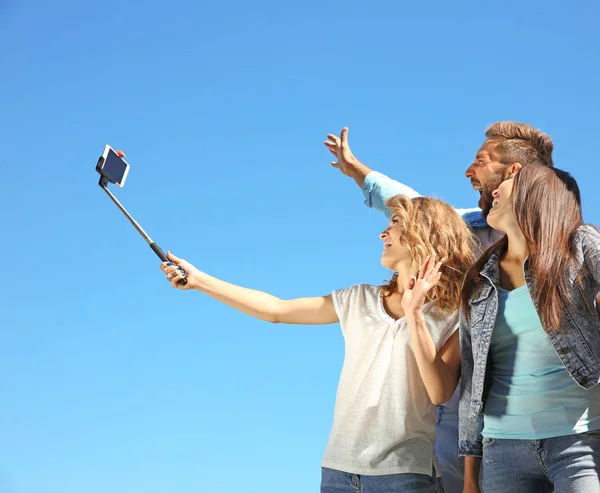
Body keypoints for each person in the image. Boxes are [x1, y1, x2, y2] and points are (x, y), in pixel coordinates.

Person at [160, 194, 477, 492]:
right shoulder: (358, 299)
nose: (384, 232)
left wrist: (414, 313)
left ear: (424, 233)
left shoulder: (453, 315)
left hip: (405, 475)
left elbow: (440, 391)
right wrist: (200, 281)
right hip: (337, 472)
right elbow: (276, 310)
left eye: (395, 222)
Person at [324, 121, 555, 493]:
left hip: (524, 409)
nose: (468, 171)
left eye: (480, 160)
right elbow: (415, 210)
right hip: (450, 396)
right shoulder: (470, 226)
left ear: (513, 172)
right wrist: (359, 172)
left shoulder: (560, 243)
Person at [459, 164, 600, 493]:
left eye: (507, 182)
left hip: (580, 441)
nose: (494, 190)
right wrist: (469, 478)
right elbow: (471, 379)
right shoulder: (479, 280)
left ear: (535, 190)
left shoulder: (580, 245)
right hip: (503, 450)